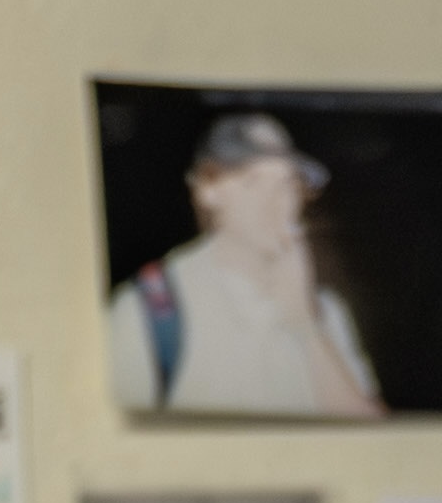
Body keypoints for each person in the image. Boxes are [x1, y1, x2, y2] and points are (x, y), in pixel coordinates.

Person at [110, 108, 383, 422]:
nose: (277, 201)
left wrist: (306, 326)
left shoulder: (325, 308)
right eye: (252, 181)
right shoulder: (150, 309)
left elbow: (373, 441)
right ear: (207, 190)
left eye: (286, 183)